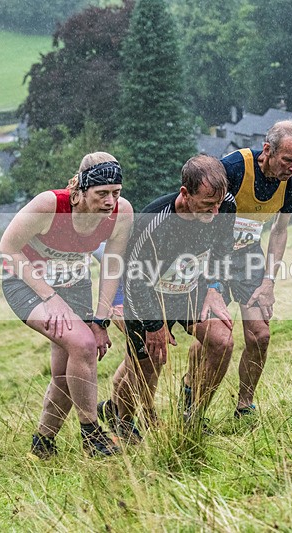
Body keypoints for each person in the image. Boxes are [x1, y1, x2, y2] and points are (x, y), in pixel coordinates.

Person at [0, 152, 133, 459]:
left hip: (75, 285)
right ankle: (92, 435)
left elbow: (112, 265)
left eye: (116, 192)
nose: (110, 201)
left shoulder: (122, 212)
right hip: (27, 284)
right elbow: (8, 247)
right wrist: (50, 297)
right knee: (83, 345)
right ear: (81, 190)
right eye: (102, 193)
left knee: (65, 372)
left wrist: (101, 320)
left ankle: (42, 444)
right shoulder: (50, 205)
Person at [98, 154, 236, 440]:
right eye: (207, 205)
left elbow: (223, 247)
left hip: (190, 289)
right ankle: (124, 423)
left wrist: (215, 287)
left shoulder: (225, 205)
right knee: (148, 365)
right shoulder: (154, 221)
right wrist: (154, 326)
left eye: (218, 204)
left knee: (223, 342)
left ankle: (193, 416)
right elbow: (135, 281)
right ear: (185, 193)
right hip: (148, 296)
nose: (215, 212)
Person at [185, 119, 292, 419]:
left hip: (248, 258)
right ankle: (191, 393)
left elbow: (279, 230)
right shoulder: (233, 168)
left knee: (260, 335)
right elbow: (199, 210)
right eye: (288, 160)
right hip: (211, 258)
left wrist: (269, 282)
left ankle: (244, 405)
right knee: (214, 337)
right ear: (267, 150)